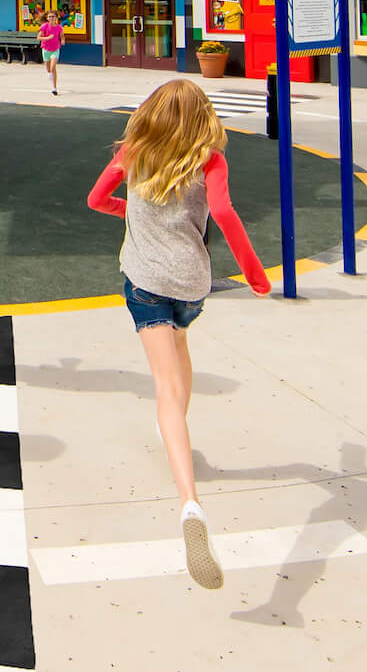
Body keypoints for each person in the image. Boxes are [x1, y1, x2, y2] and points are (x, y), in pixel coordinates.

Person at [87, 79, 272, 590]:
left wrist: (132, 216)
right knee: (182, 347)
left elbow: (96, 199)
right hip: (192, 284)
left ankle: (189, 503)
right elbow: (227, 214)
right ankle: (179, 437)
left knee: (165, 389)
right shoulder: (210, 161)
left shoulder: (134, 151)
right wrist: (255, 275)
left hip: (144, 282)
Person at [39, 11, 64, 94]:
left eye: (53, 16)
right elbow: (38, 38)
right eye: (49, 16)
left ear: (56, 18)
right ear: (47, 18)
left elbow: (62, 36)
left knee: (53, 67)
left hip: (55, 49)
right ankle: (49, 73)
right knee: (48, 69)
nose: (51, 18)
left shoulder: (59, 27)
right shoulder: (44, 26)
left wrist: (63, 40)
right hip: (46, 49)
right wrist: (47, 38)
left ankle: (54, 88)